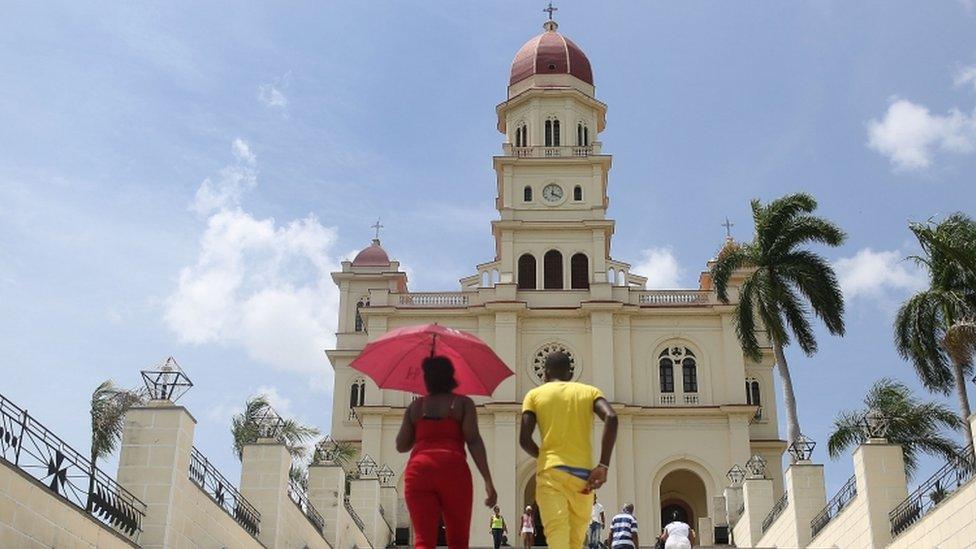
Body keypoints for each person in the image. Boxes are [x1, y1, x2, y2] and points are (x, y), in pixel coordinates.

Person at [519, 351, 618, 549]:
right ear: (571, 374)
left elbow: (524, 439)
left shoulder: (535, 395)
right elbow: (612, 417)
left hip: (551, 474)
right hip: (583, 477)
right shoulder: (589, 392)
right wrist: (603, 465)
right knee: (575, 542)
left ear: (545, 375)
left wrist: (544, 457)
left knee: (557, 534)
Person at [396, 355, 497, 548]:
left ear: (426, 379)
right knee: (458, 541)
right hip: (453, 469)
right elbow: (474, 440)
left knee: (423, 541)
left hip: (419, 470)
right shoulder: (462, 403)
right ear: (452, 377)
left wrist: (416, 423)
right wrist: (488, 481)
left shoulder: (416, 407)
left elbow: (402, 445)